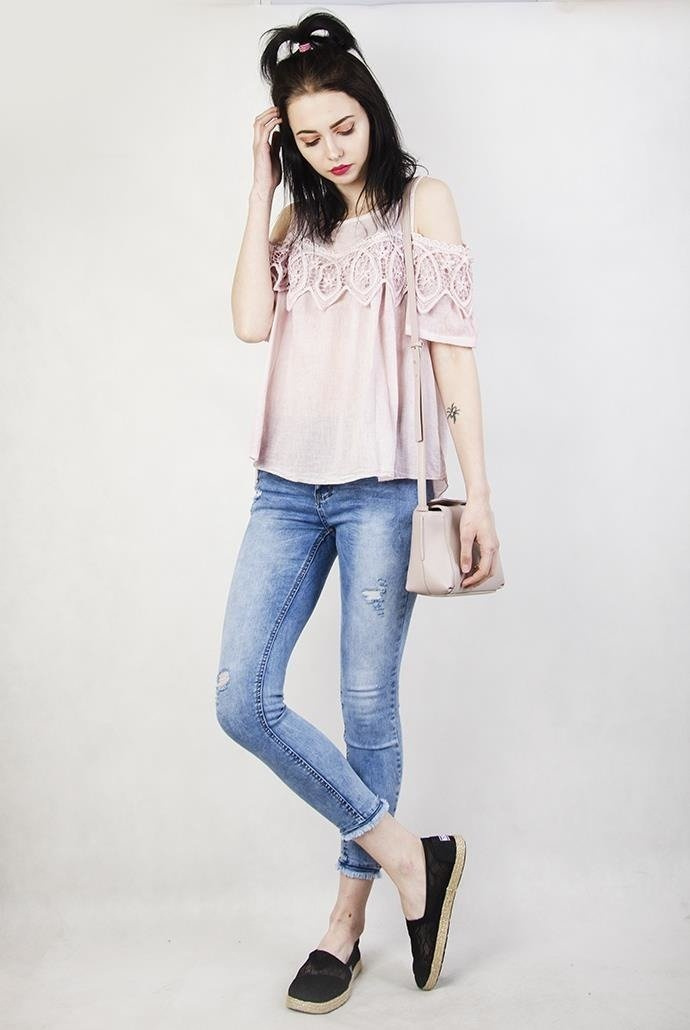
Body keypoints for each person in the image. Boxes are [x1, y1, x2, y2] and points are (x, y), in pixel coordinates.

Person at [216, 10, 500, 1014]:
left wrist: (477, 492)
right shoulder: (294, 219)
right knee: (242, 699)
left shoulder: (424, 202)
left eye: (343, 126)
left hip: (384, 487)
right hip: (285, 490)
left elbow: (453, 355)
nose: (330, 150)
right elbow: (249, 321)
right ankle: (409, 854)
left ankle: (345, 922)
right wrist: (260, 187)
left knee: (367, 704)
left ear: (371, 110)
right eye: (307, 137)